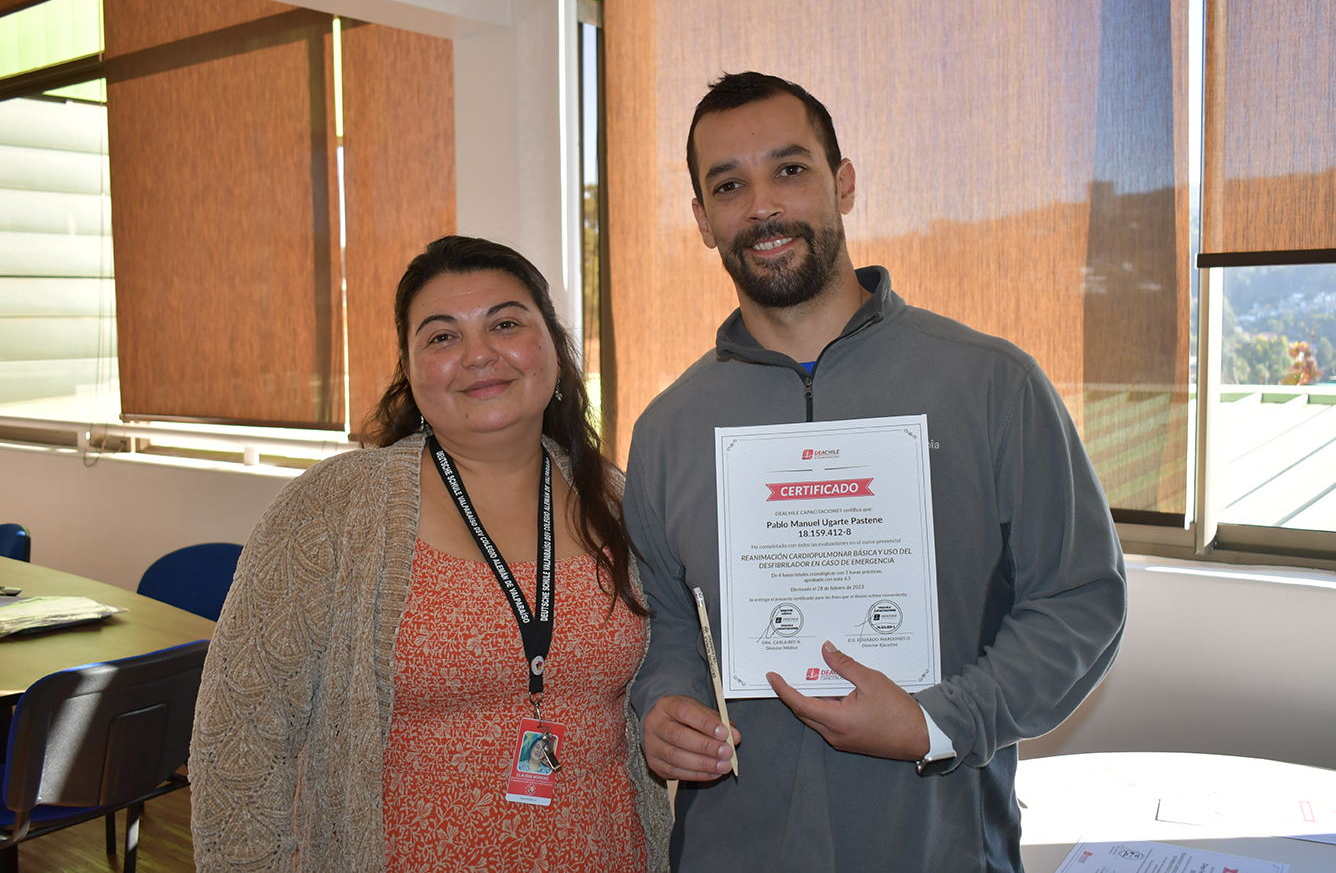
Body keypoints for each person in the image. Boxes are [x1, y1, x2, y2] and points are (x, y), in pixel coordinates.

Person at [625, 72, 1127, 871]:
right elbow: (669, 628)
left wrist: (939, 721)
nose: (762, 206)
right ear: (702, 220)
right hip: (735, 849)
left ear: (844, 183)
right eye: (729, 185)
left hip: (938, 843)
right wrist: (666, 704)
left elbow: (1078, 601)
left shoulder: (992, 384)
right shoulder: (668, 429)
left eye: (790, 169)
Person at [191, 235, 672, 873]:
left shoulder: (616, 499)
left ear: (553, 345)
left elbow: (669, 674)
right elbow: (239, 740)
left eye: (505, 324)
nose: (478, 354)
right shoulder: (331, 511)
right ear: (410, 369)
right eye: (443, 336)